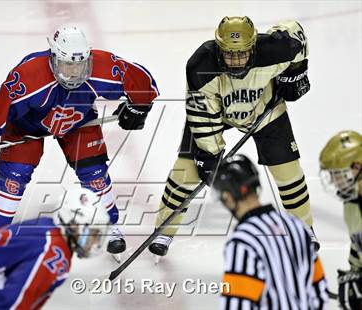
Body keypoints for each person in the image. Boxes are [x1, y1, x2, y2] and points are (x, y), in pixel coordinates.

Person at [0, 25, 159, 256]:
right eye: (68, 64)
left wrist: (139, 106)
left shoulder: (102, 66)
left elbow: (139, 80)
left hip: (76, 121)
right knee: (14, 176)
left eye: (80, 64)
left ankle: (108, 224)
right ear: (54, 57)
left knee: (95, 172)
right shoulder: (30, 76)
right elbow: (0, 104)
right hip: (26, 126)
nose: (74, 72)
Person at [149, 16, 317, 257]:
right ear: (219, 50)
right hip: (217, 115)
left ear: (253, 47)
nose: (236, 61)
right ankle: (164, 229)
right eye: (229, 54)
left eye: (242, 54)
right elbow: (202, 115)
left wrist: (296, 71)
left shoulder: (276, 50)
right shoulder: (200, 65)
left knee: (288, 172)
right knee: (185, 170)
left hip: (264, 111)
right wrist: (210, 156)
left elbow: (296, 35)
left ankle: (303, 229)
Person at [0, 188, 109, 309]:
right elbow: (14, 302)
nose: (94, 242)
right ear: (71, 223)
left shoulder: (46, 227)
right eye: (91, 234)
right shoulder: (54, 252)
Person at [212, 154, 329, 309]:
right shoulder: (296, 225)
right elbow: (320, 291)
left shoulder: (242, 242)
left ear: (228, 196)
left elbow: (237, 305)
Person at [320, 130, 362, 309]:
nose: (335, 182)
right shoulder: (351, 206)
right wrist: (356, 275)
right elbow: (357, 248)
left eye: (338, 174)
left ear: (357, 167)